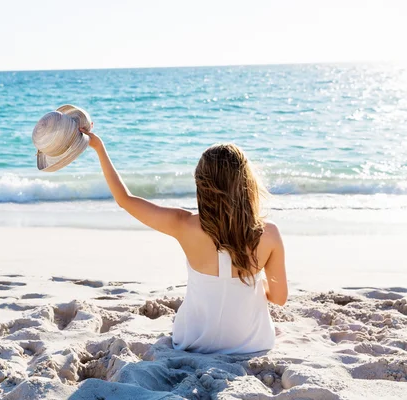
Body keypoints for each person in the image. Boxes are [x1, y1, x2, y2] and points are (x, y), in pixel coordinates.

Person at [80, 127, 287, 354]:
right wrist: (251, 280)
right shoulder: (269, 234)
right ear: (247, 183)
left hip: (194, 339)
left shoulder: (183, 224)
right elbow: (278, 298)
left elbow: (124, 199)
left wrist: (99, 149)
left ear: (202, 184)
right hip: (251, 343)